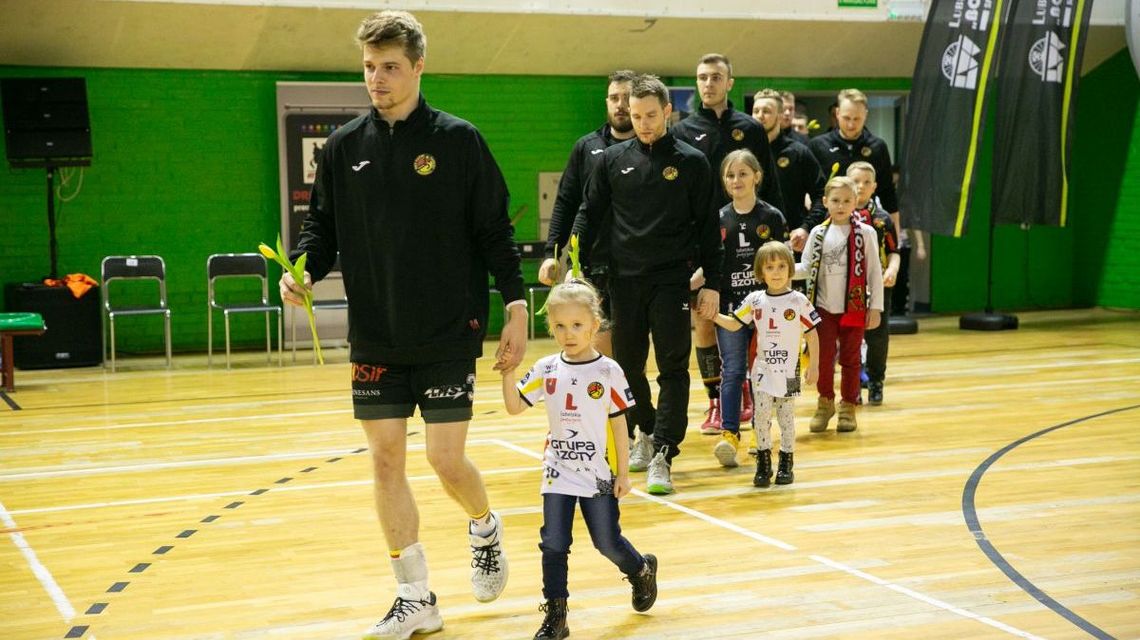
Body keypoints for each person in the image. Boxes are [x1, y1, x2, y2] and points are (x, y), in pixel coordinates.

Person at [280, 11, 525, 640]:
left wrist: (516, 307)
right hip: (377, 332)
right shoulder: (342, 149)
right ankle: (416, 597)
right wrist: (303, 269)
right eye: (369, 67)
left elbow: (495, 232)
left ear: (418, 66)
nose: (377, 79)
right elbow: (321, 233)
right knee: (386, 460)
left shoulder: (459, 140)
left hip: (447, 328)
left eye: (390, 67)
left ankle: (484, 525)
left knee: (446, 462)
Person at [573, 74, 722, 495]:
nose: (643, 123)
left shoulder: (692, 162)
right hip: (624, 279)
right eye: (636, 116)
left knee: (673, 367)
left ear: (668, 111)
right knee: (627, 367)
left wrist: (711, 283)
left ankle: (664, 453)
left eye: (651, 115)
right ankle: (647, 430)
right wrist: (574, 264)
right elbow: (589, 213)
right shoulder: (611, 159)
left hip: (673, 280)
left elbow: (709, 226)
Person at [500, 280, 659, 640]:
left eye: (576, 325)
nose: (567, 334)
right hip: (558, 472)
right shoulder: (545, 368)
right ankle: (556, 615)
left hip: (598, 475)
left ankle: (640, 570)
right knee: (554, 543)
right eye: (559, 326)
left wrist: (623, 473)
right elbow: (513, 407)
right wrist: (509, 371)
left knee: (606, 541)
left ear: (594, 325)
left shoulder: (609, 372)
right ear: (550, 326)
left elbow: (620, 425)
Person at [672, 53, 785, 435]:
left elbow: (769, 187)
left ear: (730, 82)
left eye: (716, 77)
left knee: (754, 320)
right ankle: (716, 403)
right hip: (700, 236)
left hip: (750, 240)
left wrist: (783, 237)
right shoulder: (684, 129)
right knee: (705, 319)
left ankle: (748, 394)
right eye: (702, 77)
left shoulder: (750, 127)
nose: (708, 84)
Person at [537, 70, 638, 357]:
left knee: (632, 347)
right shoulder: (586, 147)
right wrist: (551, 254)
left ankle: (631, 403)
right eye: (614, 98)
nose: (620, 105)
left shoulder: (648, 148)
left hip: (636, 262)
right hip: (594, 262)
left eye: (627, 98)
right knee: (598, 343)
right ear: (606, 102)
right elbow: (566, 203)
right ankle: (600, 402)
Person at [705, 149, 789, 466]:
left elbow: (783, 267)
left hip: (766, 311)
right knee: (733, 370)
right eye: (730, 175)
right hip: (730, 309)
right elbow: (711, 262)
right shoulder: (719, 218)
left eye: (742, 173)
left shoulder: (772, 218)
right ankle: (729, 434)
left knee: (763, 373)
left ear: (757, 176)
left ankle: (760, 431)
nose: (736, 180)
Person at [713, 242, 820, 486]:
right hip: (762, 371)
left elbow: (813, 334)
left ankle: (786, 462)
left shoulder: (799, 301)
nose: (776, 272)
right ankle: (763, 463)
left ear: (790, 269)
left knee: (786, 419)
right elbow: (734, 323)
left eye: (782, 266)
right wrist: (713, 316)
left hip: (789, 371)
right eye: (770, 267)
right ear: (760, 272)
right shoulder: (755, 300)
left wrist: (813, 366)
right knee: (761, 419)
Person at [796, 176, 883, 433]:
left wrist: (875, 307)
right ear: (825, 202)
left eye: (847, 200)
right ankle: (825, 403)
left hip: (854, 309)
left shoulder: (866, 234)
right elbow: (806, 267)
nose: (841, 205)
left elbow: (874, 273)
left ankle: (848, 406)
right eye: (835, 200)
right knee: (822, 360)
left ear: (856, 202)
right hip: (822, 308)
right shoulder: (818, 233)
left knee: (851, 359)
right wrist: (780, 269)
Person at [805, 89, 900, 254]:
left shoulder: (877, 147)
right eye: (846, 118)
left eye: (857, 119)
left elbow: (888, 194)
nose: (851, 124)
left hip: (867, 229)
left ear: (866, 115)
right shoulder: (817, 146)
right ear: (837, 113)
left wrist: (895, 245)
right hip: (827, 228)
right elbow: (807, 191)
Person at [848, 162, 900, 406]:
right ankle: (852, 382)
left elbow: (894, 251)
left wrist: (891, 269)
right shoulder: (836, 216)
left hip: (876, 285)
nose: (861, 186)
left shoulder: (882, 219)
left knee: (877, 334)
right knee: (848, 335)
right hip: (845, 286)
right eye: (856, 181)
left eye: (867, 182)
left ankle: (877, 381)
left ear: (875, 186)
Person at [751, 89, 826, 243]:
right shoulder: (743, 153)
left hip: (790, 239)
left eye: (766, 111)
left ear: (780, 115)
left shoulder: (798, 152)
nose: (760, 115)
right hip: (749, 238)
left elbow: (822, 195)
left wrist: (806, 227)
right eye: (756, 111)